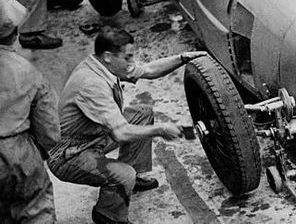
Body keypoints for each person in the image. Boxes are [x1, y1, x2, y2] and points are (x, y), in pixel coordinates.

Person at [47, 26, 206, 224]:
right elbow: (121, 133)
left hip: (94, 135)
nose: (131, 63)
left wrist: (182, 58)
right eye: (128, 57)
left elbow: (148, 70)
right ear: (108, 56)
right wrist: (160, 130)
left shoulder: (105, 64)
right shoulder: (91, 83)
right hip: (70, 154)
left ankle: (130, 179)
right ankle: (108, 215)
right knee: (124, 175)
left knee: (142, 113)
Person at [0, 0, 61, 223]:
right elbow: (49, 131)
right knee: (35, 208)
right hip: (17, 152)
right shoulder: (28, 73)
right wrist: (39, 154)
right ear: (15, 33)